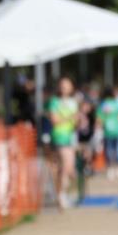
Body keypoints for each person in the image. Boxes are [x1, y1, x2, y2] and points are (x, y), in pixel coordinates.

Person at [47, 77, 80, 210]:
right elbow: (54, 120)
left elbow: (76, 122)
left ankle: (62, 192)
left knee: (69, 169)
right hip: (59, 137)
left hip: (71, 137)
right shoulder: (54, 102)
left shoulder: (74, 102)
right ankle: (60, 195)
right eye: (62, 85)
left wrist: (78, 121)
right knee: (65, 165)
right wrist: (70, 117)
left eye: (67, 85)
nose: (64, 88)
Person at [97, 86, 118, 179]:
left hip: (108, 130)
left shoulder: (103, 104)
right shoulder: (116, 104)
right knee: (116, 150)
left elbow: (99, 118)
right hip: (117, 130)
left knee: (109, 150)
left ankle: (110, 169)